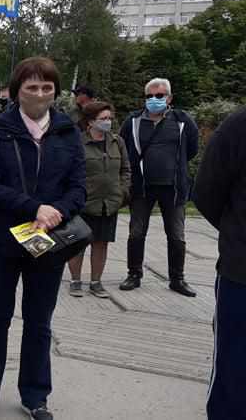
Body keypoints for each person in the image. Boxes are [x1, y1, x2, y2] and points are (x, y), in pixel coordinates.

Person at [0, 57, 85, 420]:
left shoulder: (67, 131)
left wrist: (54, 212)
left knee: (39, 320)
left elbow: (78, 186)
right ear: (17, 91)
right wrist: (34, 208)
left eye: (47, 87)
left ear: (56, 91)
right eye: (31, 86)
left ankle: (35, 395)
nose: (40, 93)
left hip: (48, 239)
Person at [118, 78, 199, 297]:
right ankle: (134, 274)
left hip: (173, 188)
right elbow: (123, 148)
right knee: (136, 232)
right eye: (149, 96)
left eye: (159, 96)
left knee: (176, 235)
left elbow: (192, 149)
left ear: (169, 98)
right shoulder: (132, 121)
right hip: (142, 187)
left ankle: (177, 279)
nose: (154, 99)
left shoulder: (183, 120)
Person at [192, 106, 246, 420]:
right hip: (241, 276)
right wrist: (238, 236)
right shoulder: (239, 125)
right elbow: (207, 193)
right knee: (234, 368)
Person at [67, 101, 131, 298]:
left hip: (109, 204)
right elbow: (68, 172)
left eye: (110, 118)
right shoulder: (77, 142)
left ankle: (96, 282)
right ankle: (75, 281)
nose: (108, 122)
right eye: (103, 119)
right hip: (84, 204)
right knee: (77, 244)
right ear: (90, 122)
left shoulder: (117, 141)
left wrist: (122, 192)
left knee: (101, 244)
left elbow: (126, 170)